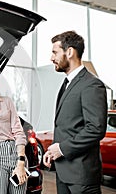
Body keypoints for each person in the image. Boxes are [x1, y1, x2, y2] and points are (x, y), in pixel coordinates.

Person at [43, 31, 107, 194]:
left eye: (55, 52)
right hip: (63, 173)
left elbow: (95, 129)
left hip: (82, 178)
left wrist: (62, 148)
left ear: (69, 52)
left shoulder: (91, 85)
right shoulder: (67, 84)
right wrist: (53, 150)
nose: (51, 58)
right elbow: (68, 127)